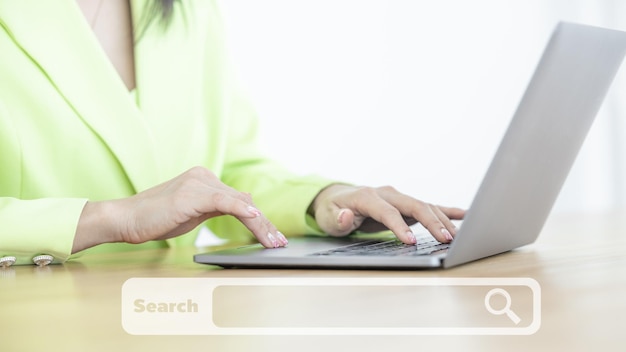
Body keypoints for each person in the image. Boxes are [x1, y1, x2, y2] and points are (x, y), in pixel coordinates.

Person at [0, 0, 464, 266]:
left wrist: (323, 200)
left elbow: (226, 170)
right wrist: (108, 217)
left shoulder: (186, 10)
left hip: (165, 318)